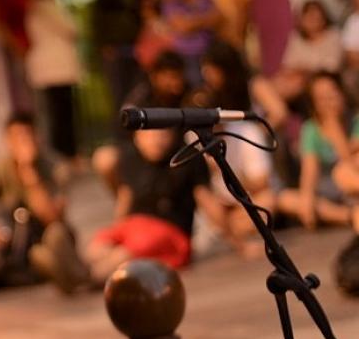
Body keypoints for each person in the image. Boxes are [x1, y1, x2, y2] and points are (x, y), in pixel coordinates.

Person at [0, 113, 89, 293]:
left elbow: (51, 218)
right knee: (20, 257)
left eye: (28, 134)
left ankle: (60, 268)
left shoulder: (56, 167)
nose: (24, 141)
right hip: (14, 242)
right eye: (17, 136)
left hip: (46, 234)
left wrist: (29, 174)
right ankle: (62, 271)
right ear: (7, 141)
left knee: (56, 234)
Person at [86, 126, 214, 284]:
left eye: (163, 135)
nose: (157, 141)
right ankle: (79, 269)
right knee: (97, 244)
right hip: (136, 224)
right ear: (137, 138)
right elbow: (125, 196)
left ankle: (88, 278)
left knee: (126, 254)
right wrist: (119, 229)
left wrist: (239, 243)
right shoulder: (131, 158)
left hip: (169, 230)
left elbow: (207, 200)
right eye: (150, 135)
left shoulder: (187, 158)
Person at [188, 42, 276, 257]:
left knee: (268, 202)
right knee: (204, 199)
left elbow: (261, 182)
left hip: (244, 200)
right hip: (214, 208)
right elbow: (198, 191)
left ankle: (228, 232)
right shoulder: (190, 138)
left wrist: (224, 169)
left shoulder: (246, 130)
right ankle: (230, 235)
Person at [92, 51, 188, 192]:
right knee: (104, 159)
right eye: (170, 77)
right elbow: (125, 134)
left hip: (180, 151)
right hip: (141, 152)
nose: (175, 83)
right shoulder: (139, 99)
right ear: (155, 76)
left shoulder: (188, 95)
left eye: (178, 76)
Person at [277, 72, 358, 230]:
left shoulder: (356, 121)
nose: (328, 102)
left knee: (342, 171)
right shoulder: (310, 129)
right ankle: (350, 215)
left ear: (342, 93)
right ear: (314, 104)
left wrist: (334, 127)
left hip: (352, 186)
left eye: (332, 94)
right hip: (327, 193)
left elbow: (349, 161)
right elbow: (309, 172)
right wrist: (307, 201)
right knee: (286, 199)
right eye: (321, 98)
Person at [25, 0, 82, 163]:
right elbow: (72, 29)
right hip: (59, 70)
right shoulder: (49, 7)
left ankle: (59, 156)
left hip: (44, 70)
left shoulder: (32, 9)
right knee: (63, 116)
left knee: (53, 115)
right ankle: (68, 155)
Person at [92, 0, 142, 111]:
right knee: (119, 92)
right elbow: (98, 21)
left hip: (138, 45)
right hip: (116, 48)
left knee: (138, 89)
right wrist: (104, 44)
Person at [160, 0, 222, 86]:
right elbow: (183, 27)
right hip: (187, 57)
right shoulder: (170, 3)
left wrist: (193, 21)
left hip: (209, 52)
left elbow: (219, 17)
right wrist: (205, 19)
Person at [275, 0, 343, 106]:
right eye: (309, 17)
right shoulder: (297, 40)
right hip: (296, 83)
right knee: (277, 84)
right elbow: (287, 67)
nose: (313, 21)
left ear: (323, 18)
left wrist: (304, 70)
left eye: (316, 17)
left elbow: (331, 67)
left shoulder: (332, 36)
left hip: (322, 82)